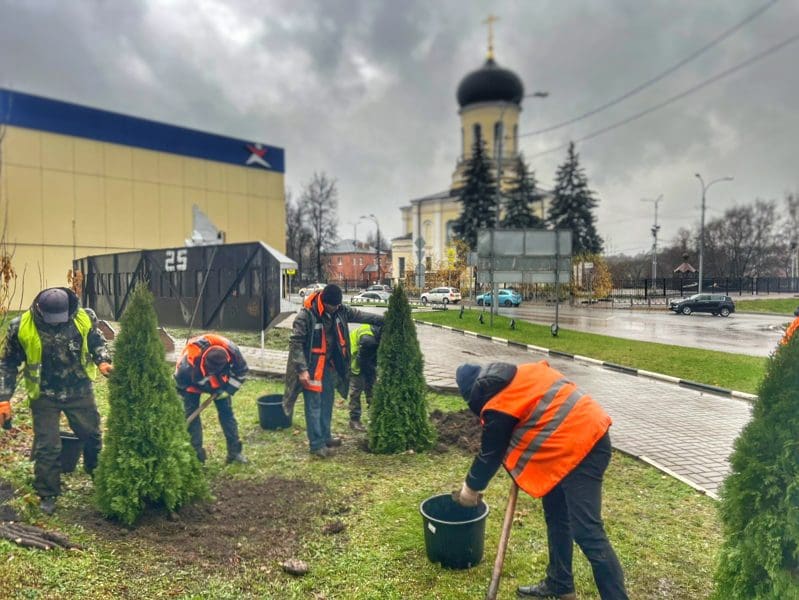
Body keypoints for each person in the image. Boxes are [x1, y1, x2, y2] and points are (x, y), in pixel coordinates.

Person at [452, 361, 628, 600]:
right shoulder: (522, 375)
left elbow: (489, 456)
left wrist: (468, 492)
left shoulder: (498, 406)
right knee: (556, 512)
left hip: (584, 446)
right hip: (570, 442)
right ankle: (560, 583)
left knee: (587, 532)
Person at [0, 287, 113, 515]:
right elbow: (8, 363)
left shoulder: (84, 316)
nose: (55, 323)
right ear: (39, 309)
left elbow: (96, 341)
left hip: (79, 390)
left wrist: (102, 360)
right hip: (44, 394)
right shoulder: (20, 326)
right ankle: (47, 493)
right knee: (48, 446)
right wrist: (3, 398)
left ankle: (97, 474)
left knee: (91, 435)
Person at [283, 284, 383, 457]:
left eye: (338, 305)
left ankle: (326, 436)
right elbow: (296, 343)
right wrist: (302, 370)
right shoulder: (306, 316)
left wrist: (384, 320)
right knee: (314, 405)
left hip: (328, 367)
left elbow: (360, 315)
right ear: (324, 301)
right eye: (333, 306)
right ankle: (316, 445)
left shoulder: (339, 310)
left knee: (327, 402)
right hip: (312, 368)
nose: (336, 308)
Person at [175, 334, 249, 464]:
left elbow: (242, 371)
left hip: (221, 383)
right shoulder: (186, 367)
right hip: (192, 383)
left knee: (227, 414)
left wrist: (228, 391)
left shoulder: (232, 351)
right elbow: (180, 387)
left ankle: (234, 453)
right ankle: (197, 457)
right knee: (191, 417)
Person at [348, 323, 381, 431]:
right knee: (356, 391)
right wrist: (374, 372)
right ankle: (354, 420)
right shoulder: (368, 339)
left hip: (366, 358)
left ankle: (374, 417)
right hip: (355, 361)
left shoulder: (378, 331)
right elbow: (362, 361)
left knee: (372, 389)